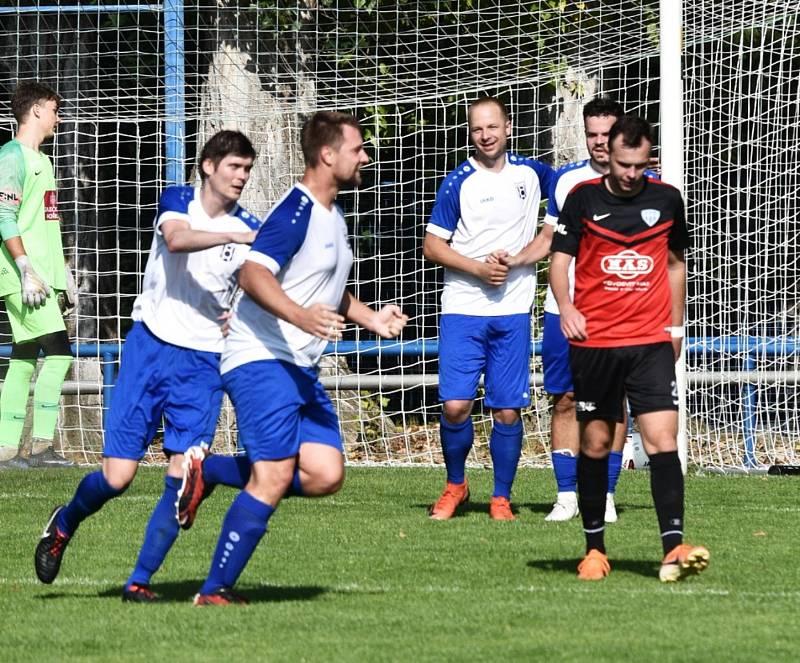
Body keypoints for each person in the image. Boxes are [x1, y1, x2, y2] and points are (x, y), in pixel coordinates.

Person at [34, 130, 262, 601]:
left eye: (246, 169)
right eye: (233, 167)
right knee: (117, 478)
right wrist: (235, 235)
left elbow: (257, 283)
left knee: (182, 481)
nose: (241, 176)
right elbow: (176, 240)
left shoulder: (251, 226)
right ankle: (64, 522)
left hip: (202, 365)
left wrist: (243, 311)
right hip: (150, 350)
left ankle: (139, 582)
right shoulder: (179, 200)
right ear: (207, 167)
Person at [191, 111, 407, 606]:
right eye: (357, 149)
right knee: (273, 474)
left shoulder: (333, 214)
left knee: (325, 472)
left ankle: (211, 472)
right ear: (328, 156)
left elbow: (321, 289)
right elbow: (252, 274)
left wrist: (371, 318)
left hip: (298, 366)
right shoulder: (296, 211)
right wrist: (300, 317)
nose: (365, 158)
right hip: (259, 356)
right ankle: (214, 591)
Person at [549, 115, 709, 582]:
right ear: (608, 156)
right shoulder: (582, 199)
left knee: (663, 440)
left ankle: (673, 547)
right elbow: (560, 261)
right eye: (623, 164)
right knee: (597, 443)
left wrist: (676, 326)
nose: (630, 174)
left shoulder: (667, 200)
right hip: (596, 342)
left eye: (640, 165)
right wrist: (566, 307)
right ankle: (595, 549)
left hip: (650, 343)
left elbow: (676, 263)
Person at [423, 97, 555, 521]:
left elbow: (577, 190)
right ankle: (456, 486)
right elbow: (432, 245)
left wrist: (639, 176)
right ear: (471, 133)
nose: (487, 135)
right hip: (463, 309)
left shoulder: (532, 173)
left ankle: (501, 497)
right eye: (478, 129)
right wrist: (478, 269)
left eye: (493, 126)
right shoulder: (458, 181)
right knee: (456, 406)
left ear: (509, 126)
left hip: (513, 311)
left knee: (507, 408)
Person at [540, 98, 652, 523]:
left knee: (613, 400)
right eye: (592, 135)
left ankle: (604, 493)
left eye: (607, 134)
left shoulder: (646, 181)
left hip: (619, 312)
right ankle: (567, 495)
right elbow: (551, 243)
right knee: (566, 399)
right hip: (563, 310)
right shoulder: (567, 181)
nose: (599, 142)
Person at [0, 81, 74, 469]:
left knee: (24, 360)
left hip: (44, 277)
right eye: (55, 110)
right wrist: (27, 270)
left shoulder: (42, 161)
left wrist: (63, 273)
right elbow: (4, 217)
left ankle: (6, 450)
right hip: (23, 277)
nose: (58, 119)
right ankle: (42, 447)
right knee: (60, 354)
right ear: (37, 111)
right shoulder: (11, 157)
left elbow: (45, 222)